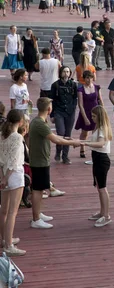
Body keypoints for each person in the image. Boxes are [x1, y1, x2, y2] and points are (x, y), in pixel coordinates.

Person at [29, 97, 81, 229]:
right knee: (38, 189)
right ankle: (35, 219)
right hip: (39, 161)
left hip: (41, 159)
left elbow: (54, 136)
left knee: (40, 189)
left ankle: (38, 214)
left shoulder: (39, 121)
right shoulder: (39, 123)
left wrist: (66, 138)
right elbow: (55, 141)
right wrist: (72, 142)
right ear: (49, 109)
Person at [0, 110, 27, 256]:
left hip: (3, 172)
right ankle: (9, 246)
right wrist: (6, 178)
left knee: (3, 210)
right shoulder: (17, 137)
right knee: (12, 212)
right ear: (21, 122)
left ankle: (5, 239)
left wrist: (2, 177)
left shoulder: (2, 135)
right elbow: (13, 160)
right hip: (14, 174)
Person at [82, 106, 113, 227]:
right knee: (99, 187)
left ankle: (106, 215)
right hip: (97, 158)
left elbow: (101, 144)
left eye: (94, 116)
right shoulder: (98, 128)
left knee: (102, 188)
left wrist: (85, 143)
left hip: (101, 159)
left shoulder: (101, 129)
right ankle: (102, 212)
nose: (92, 118)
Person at [50, 66, 78, 164]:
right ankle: (58, 152)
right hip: (59, 111)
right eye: (64, 71)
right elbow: (52, 100)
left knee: (68, 134)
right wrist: (52, 115)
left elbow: (75, 98)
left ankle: (65, 156)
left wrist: (73, 107)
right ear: (60, 73)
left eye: (68, 71)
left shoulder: (73, 85)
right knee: (60, 133)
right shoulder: (55, 85)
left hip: (70, 112)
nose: (66, 74)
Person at [75, 70, 103, 159]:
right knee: (84, 133)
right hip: (86, 112)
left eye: (91, 77)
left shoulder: (97, 87)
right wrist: (85, 117)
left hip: (96, 112)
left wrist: (102, 112)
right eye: (87, 78)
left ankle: (94, 149)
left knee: (96, 132)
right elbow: (80, 104)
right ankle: (82, 148)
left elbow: (100, 100)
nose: (89, 79)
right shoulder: (80, 89)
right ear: (84, 78)